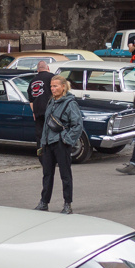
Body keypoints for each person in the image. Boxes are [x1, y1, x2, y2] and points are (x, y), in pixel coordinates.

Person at [36, 75, 82, 213]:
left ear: (63, 87)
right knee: (47, 174)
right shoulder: (51, 102)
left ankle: (67, 204)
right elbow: (46, 125)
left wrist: (66, 139)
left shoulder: (70, 103)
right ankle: (44, 202)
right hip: (48, 144)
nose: (52, 88)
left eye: (55, 86)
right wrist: (43, 143)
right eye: (51, 86)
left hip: (61, 144)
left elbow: (78, 125)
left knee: (65, 175)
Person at [24, 60, 54, 143]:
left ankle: (41, 153)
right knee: (51, 134)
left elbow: (31, 100)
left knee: (40, 135)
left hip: (38, 112)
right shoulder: (53, 78)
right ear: (48, 68)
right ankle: (49, 153)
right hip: (50, 111)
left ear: (37, 70)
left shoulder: (32, 81)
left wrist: (34, 112)